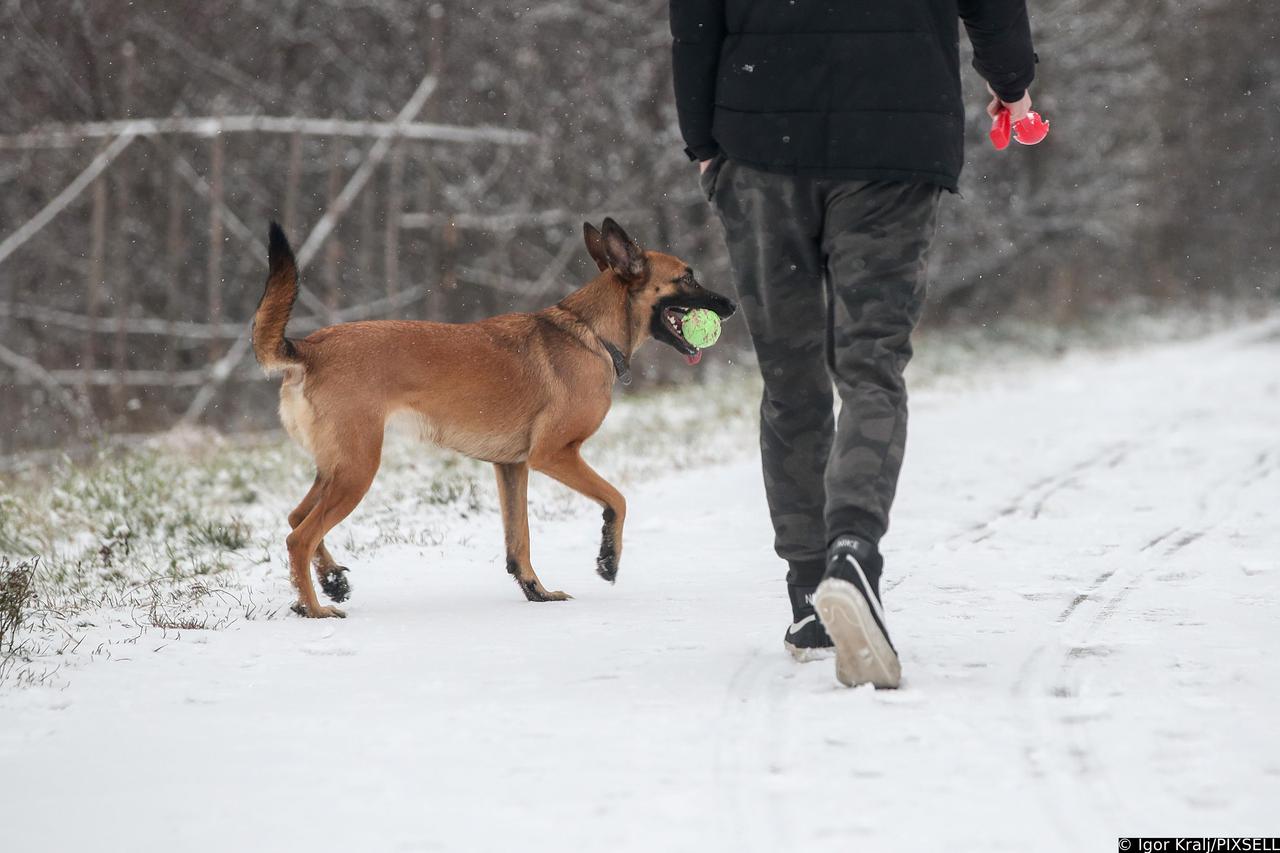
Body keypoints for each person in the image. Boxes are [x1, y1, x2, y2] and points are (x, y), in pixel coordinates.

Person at [670, 0, 1038, 688]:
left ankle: (811, 593)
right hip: (893, 144)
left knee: (790, 375)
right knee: (870, 365)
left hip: (761, 138)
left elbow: (694, 21)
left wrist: (705, 145)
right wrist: (1011, 81)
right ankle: (853, 553)